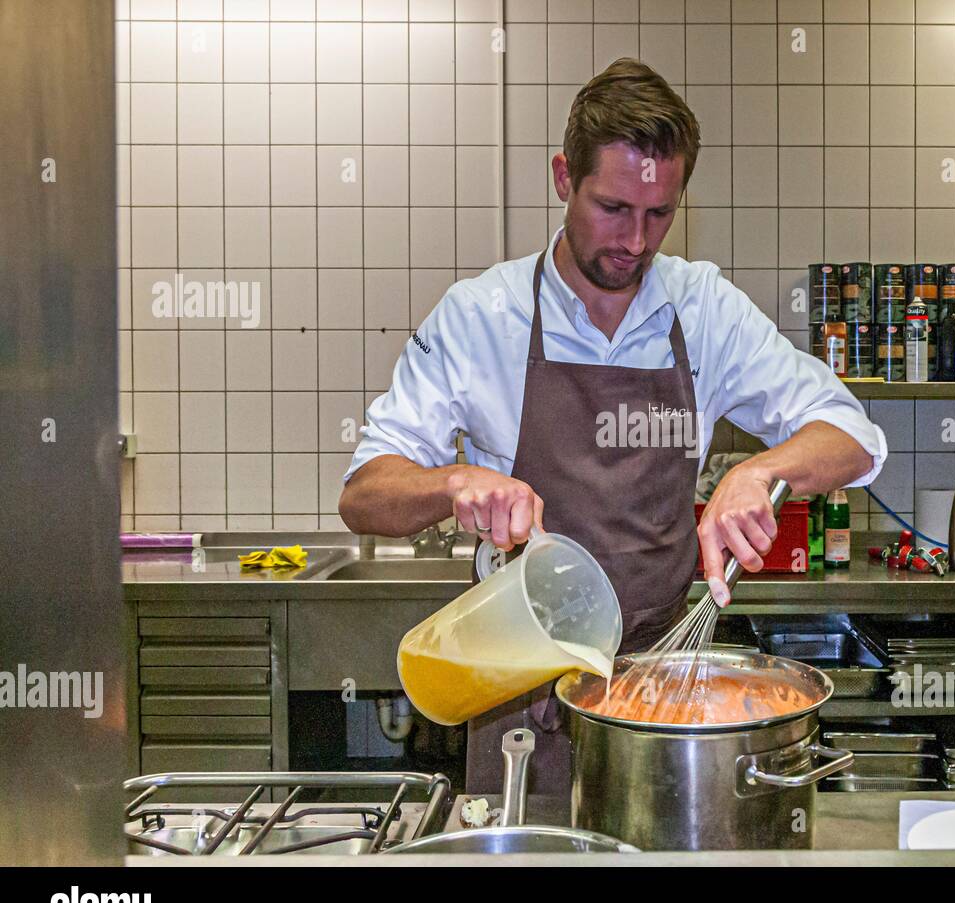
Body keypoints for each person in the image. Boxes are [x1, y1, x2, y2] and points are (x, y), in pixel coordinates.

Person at [339, 58, 887, 793]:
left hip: (658, 698)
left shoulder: (703, 309)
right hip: (519, 686)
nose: (635, 240)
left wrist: (759, 472)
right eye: (613, 209)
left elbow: (851, 435)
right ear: (565, 178)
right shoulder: (481, 317)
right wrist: (454, 483)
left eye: (659, 215)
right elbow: (365, 494)